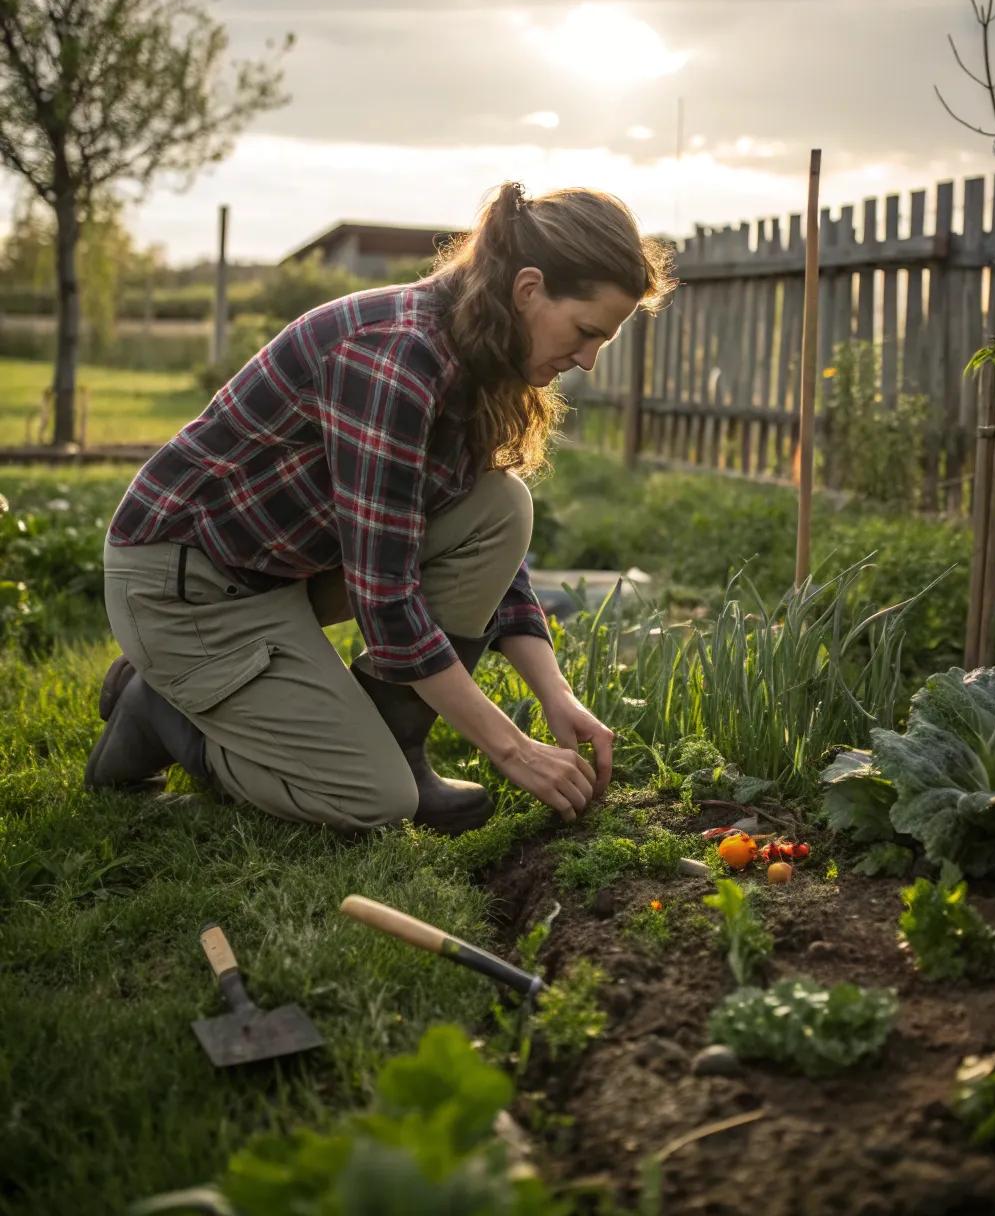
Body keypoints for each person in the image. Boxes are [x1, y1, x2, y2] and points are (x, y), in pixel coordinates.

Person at [86, 183, 674, 834]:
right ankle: (160, 711)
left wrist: (556, 696)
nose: (587, 359)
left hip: (279, 571)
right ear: (529, 289)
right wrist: (513, 749)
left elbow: (487, 555)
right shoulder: (392, 358)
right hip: (187, 587)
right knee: (373, 800)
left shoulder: (478, 350)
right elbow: (387, 601)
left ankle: (396, 746)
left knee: (501, 504)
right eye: (586, 332)